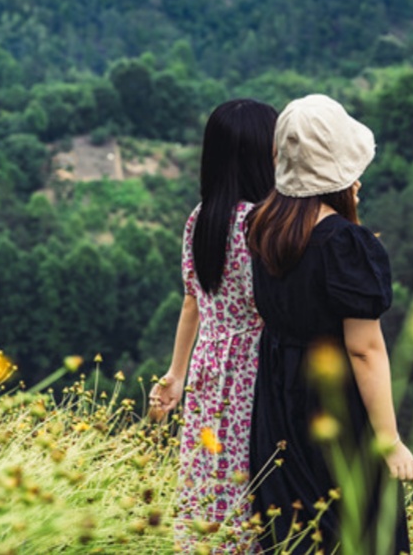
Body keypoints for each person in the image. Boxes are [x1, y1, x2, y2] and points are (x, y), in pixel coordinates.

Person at [246, 94, 413, 554]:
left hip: (277, 397)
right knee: (359, 528)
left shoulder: (262, 226)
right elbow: (364, 349)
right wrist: (389, 441)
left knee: (293, 529)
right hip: (333, 400)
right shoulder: (345, 243)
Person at [150, 98, 278, 554]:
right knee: (251, 469)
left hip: (208, 362)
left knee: (208, 469)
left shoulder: (201, 217)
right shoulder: (265, 224)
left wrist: (176, 373)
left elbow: (193, 300)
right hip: (256, 364)